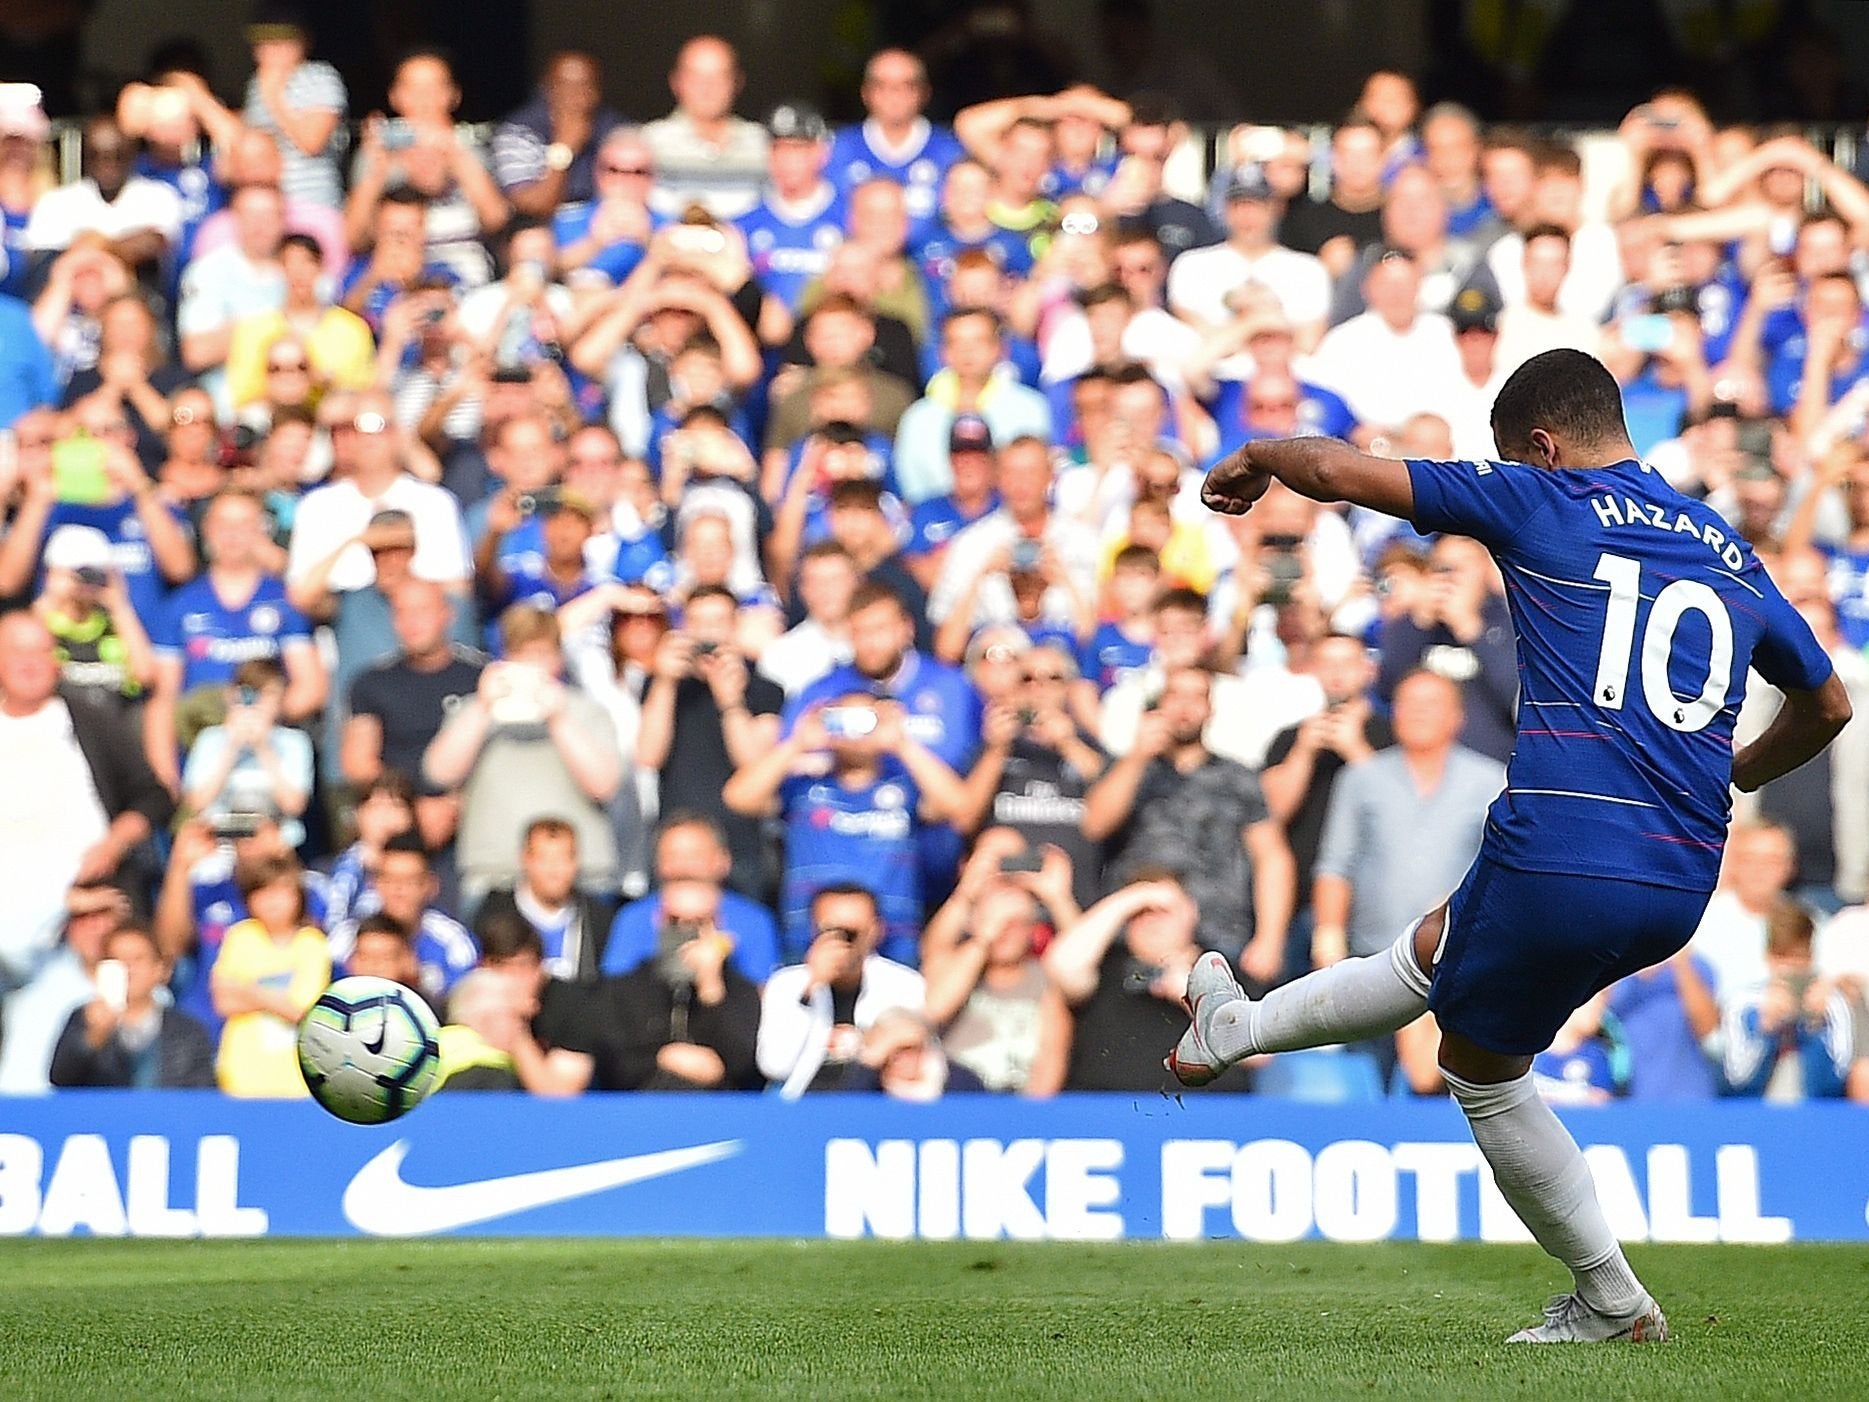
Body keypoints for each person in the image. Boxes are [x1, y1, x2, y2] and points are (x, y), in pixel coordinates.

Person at [1173, 349, 1849, 1342]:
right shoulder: (1724, 545)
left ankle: (1613, 1302)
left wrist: (1257, 451)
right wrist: (1741, 771)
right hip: (1681, 872)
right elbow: (1826, 702)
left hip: (1562, 850)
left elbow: (1336, 470)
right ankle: (1235, 1029)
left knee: (1479, 1065)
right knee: (1444, 941)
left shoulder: (1542, 501)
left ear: (1541, 445)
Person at [0, 611, 171, 995]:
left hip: (93, 911)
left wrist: (115, 842)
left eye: (40, 651)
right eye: (16, 652)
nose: (29, 663)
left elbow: (153, 797)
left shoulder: (90, 720)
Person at [1083, 664, 1293, 964]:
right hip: (1135, 938)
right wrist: (1138, 756)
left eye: (1197, 697)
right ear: (1158, 703)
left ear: (1211, 709)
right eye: (1175, 695)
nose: (1185, 707)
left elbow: (1272, 857)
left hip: (1221, 938)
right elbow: (1094, 825)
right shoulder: (1125, 768)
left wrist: (1270, 939)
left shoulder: (1238, 777)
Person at [422, 605, 623, 907]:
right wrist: (482, 707)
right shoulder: (474, 710)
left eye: (541, 654)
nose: (531, 666)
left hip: (581, 878)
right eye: (520, 654)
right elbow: (439, 774)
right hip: (491, 876)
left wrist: (559, 719)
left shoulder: (585, 711)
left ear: (557, 658)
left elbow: (604, 785)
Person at [754, 882, 925, 1097]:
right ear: (813, 930)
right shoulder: (786, 983)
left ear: (876, 931)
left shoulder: (904, 985)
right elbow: (775, 1065)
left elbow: (914, 1066)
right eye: (831, 931)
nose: (842, 943)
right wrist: (810, 989)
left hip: (879, 1105)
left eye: (851, 933)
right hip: (802, 1106)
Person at [593, 885, 763, 1091]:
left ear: (716, 924)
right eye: (675, 921)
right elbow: (614, 1065)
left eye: (699, 922)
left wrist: (711, 989)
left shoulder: (740, 990)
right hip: (643, 1107)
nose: (686, 933)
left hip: (718, 1109)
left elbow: (742, 1066)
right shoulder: (624, 989)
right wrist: (665, 1057)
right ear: (659, 920)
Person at [602, 812, 782, 987]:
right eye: (672, 855)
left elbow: (762, 991)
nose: (683, 866)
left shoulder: (753, 921)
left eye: (695, 855)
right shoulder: (633, 919)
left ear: (723, 861)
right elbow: (614, 989)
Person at [212, 850, 329, 1097]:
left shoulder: (312, 942)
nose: (272, 901)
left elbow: (301, 1010)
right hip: (241, 1076)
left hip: (296, 1078)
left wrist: (246, 990)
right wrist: (275, 1000)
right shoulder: (240, 936)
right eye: (262, 892)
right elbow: (223, 1001)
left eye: (281, 891)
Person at [49, 922, 217, 1088]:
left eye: (137, 959)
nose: (128, 969)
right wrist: (92, 1040)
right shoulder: (84, 1018)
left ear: (160, 969)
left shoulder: (187, 1030)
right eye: (118, 959)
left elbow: (202, 1092)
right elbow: (60, 1079)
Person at [472, 817, 618, 983]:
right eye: (544, 859)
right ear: (525, 859)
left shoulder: (598, 918)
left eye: (564, 858)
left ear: (577, 861)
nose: (554, 870)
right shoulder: (494, 913)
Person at [643, 35, 768, 220]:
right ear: (676, 82)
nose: (707, 87)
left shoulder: (763, 144)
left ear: (737, 82)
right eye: (696, 77)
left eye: (720, 76)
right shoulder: (646, 143)